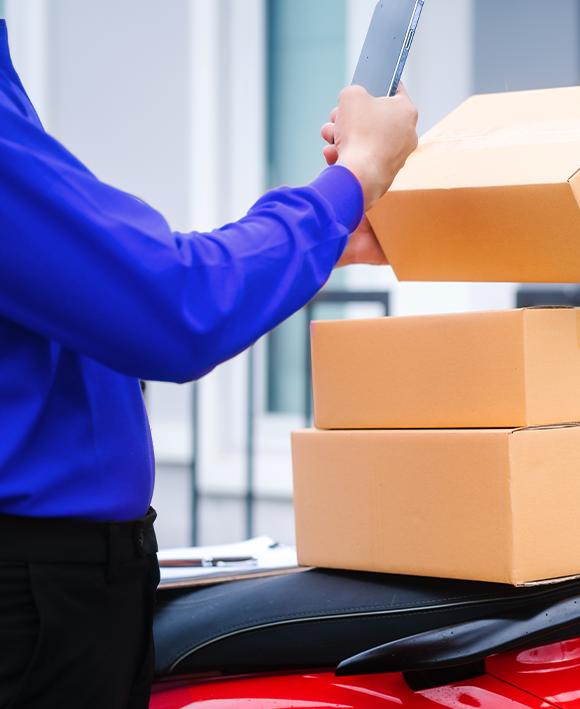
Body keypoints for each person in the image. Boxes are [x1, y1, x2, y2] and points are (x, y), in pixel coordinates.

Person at [0, 18, 418, 708]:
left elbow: (100, 290)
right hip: (35, 601)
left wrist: (325, 228)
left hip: (65, 585)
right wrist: (350, 181)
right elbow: (172, 305)